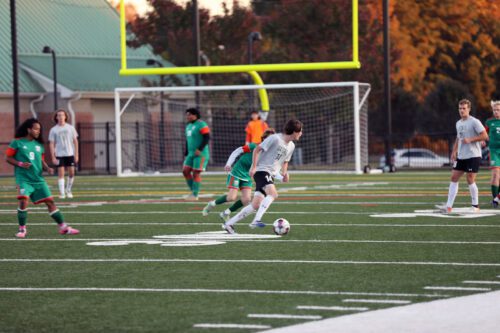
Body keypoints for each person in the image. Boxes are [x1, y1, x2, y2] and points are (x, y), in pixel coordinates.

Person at [222, 119, 303, 234]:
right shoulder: (275, 138)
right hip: (261, 171)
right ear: (295, 131)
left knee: (255, 204)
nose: (301, 133)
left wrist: (284, 174)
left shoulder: (292, 146)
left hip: (270, 174)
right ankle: (256, 220)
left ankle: (229, 223)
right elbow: (257, 149)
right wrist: (254, 167)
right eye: (300, 131)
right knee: (273, 194)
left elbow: (285, 161)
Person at [5, 118, 80, 238]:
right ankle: (22, 229)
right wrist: (20, 164)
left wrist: (47, 168)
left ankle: (63, 227)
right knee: (23, 200)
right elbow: (8, 158)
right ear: (28, 129)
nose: (38, 131)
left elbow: (41, 159)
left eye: (39, 129)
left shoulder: (39, 145)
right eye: (35, 129)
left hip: (38, 179)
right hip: (24, 179)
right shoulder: (17, 142)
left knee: (50, 202)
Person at [202, 128, 276, 221]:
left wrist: (281, 176)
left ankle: (226, 213)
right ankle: (212, 204)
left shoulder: (268, 154)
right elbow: (238, 151)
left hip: (247, 176)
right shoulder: (254, 146)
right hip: (236, 173)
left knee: (246, 200)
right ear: (264, 139)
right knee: (231, 197)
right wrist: (229, 163)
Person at [440, 99, 488, 213]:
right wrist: (454, 150)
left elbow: (485, 136)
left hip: (473, 155)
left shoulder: (474, 121)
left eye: (464, 108)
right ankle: (448, 207)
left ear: (469, 109)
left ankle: (475, 206)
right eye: (460, 108)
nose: (462, 110)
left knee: (470, 178)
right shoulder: (458, 123)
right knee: (454, 177)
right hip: (462, 156)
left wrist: (471, 139)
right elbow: (458, 138)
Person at [48, 109, 79, 199]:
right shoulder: (53, 130)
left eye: (62, 115)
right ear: (56, 117)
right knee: (61, 174)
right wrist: (53, 156)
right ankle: (62, 193)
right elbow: (51, 143)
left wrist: (76, 154)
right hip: (59, 154)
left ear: (65, 117)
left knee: (72, 173)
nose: (61, 117)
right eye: (59, 115)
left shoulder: (70, 128)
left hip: (70, 153)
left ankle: (68, 190)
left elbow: (75, 141)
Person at [183, 108, 210, 200]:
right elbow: (188, 141)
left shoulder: (201, 124)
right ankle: (193, 191)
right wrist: (186, 152)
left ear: (195, 115)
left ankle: (195, 195)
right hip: (191, 154)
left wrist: (200, 149)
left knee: (196, 173)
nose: (188, 116)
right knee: (185, 171)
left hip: (201, 153)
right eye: (187, 115)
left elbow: (207, 137)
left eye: (189, 114)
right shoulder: (188, 126)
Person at [486, 100, 500, 207]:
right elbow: (483, 133)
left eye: (498, 110)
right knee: (495, 175)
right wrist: (482, 140)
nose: (496, 112)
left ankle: (497, 199)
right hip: (494, 151)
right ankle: (495, 200)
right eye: (494, 110)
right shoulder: (489, 122)